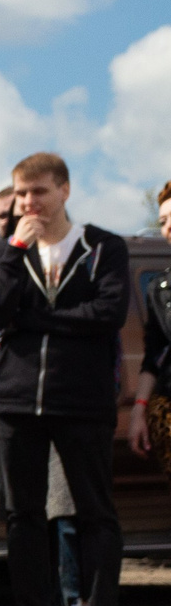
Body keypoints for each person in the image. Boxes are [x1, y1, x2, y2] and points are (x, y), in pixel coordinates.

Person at [0, 152, 133, 606]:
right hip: (15, 399)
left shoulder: (100, 246)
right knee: (22, 513)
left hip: (81, 399)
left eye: (39, 192)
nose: (29, 203)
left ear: (64, 190)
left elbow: (107, 313)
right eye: (22, 194)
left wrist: (35, 319)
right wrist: (16, 248)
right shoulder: (5, 251)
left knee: (95, 512)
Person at [136, 179, 171, 479]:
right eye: (163, 221)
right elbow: (154, 356)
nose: (168, 227)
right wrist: (139, 410)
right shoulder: (160, 288)